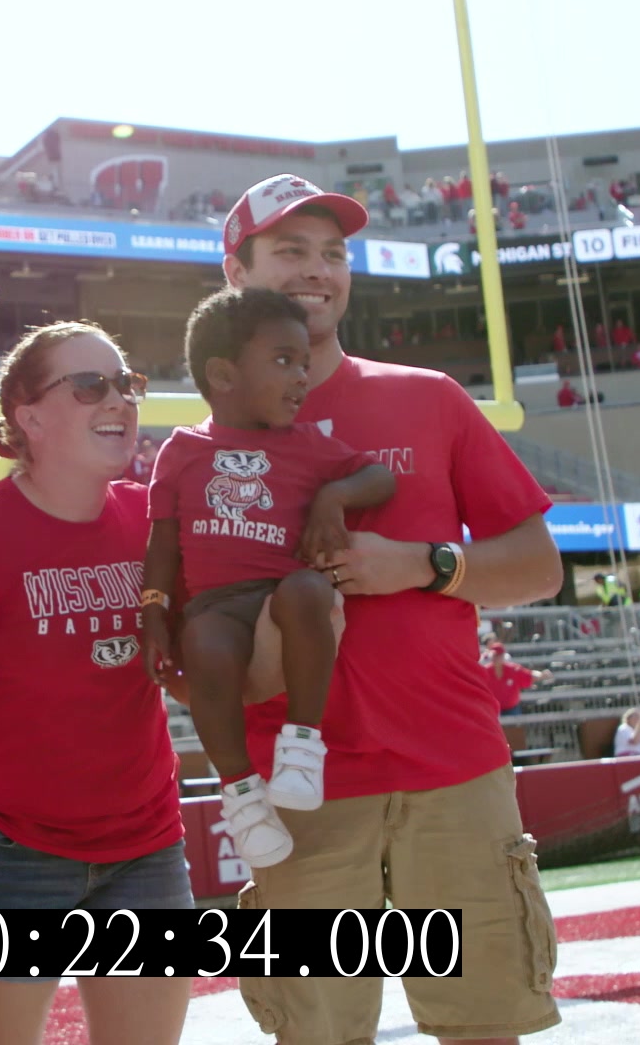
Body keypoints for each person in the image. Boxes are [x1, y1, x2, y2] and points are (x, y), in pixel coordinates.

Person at [219, 173, 564, 1042]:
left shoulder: (427, 397)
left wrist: (423, 565)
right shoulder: (208, 444)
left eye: (333, 253)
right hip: (300, 790)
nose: (317, 270)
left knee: (484, 1028)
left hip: (452, 767)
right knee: (319, 1035)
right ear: (237, 272)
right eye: (290, 250)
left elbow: (539, 566)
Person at [0, 322, 192, 1045]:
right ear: (29, 416)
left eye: (126, 384)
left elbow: (191, 673)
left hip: (146, 849)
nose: (120, 400)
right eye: (91, 386)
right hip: (6, 856)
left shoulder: (150, 519)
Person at [141, 288, 394, 868]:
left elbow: (379, 478)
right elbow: (162, 545)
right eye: (284, 360)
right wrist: (153, 613)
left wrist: (334, 496)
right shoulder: (181, 451)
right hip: (217, 607)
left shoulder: (308, 445)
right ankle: (242, 797)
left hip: (282, 600)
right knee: (203, 643)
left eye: (304, 362)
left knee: (308, 590)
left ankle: (301, 746)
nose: (302, 376)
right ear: (223, 375)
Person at [483, 640, 550, 715]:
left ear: (503, 656)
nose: (497, 658)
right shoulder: (485, 671)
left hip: (512, 709)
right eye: (495, 655)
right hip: (492, 710)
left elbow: (529, 675)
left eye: (499, 655)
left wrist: (541, 675)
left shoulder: (513, 669)